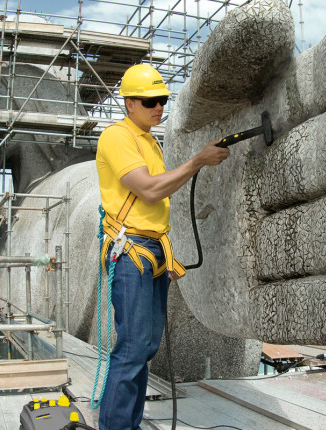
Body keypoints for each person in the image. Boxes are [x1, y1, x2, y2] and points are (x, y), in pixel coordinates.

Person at [95, 63, 229, 429]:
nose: (158, 107)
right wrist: (198, 160)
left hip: (153, 251)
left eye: (163, 100)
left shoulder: (149, 141)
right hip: (131, 253)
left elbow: (156, 200)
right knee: (133, 349)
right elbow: (151, 189)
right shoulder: (117, 137)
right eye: (150, 100)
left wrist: (165, 252)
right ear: (129, 104)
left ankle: (129, 423)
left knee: (147, 347)